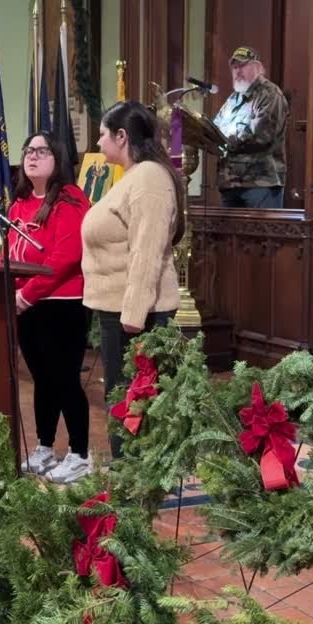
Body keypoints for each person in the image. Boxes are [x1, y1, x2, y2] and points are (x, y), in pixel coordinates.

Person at [81, 101, 183, 460]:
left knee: (133, 402)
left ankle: (134, 485)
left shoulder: (150, 178)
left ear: (122, 136)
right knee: (122, 399)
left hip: (137, 316)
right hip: (118, 309)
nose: (98, 142)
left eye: (103, 134)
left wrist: (134, 313)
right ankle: (127, 477)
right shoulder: (135, 176)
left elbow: (148, 250)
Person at [7, 132, 93, 484]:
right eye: (29, 150)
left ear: (58, 158)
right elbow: (13, 254)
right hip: (26, 305)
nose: (32, 157)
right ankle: (45, 447)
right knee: (42, 379)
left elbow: (66, 257)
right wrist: (17, 294)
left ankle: (80, 454)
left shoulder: (70, 199)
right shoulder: (19, 203)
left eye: (42, 151)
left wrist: (27, 294)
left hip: (62, 302)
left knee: (65, 378)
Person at [212, 46, 289, 209]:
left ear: (258, 68)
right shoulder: (233, 99)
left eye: (243, 66)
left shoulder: (270, 94)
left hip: (260, 183)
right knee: (229, 235)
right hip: (230, 182)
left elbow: (261, 136)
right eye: (234, 67)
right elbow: (215, 127)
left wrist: (222, 138)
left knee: (263, 234)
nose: (238, 71)